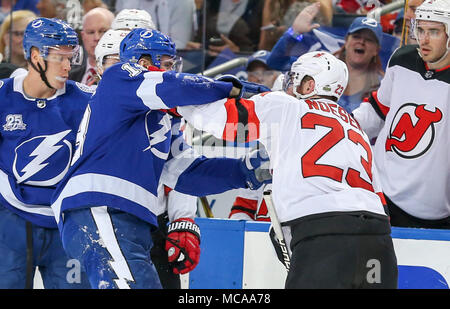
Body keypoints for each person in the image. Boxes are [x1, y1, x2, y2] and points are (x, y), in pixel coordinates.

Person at [50, 28, 270, 289]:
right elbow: (170, 85)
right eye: (166, 64)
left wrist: (244, 172)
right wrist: (231, 89)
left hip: (126, 219)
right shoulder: (120, 76)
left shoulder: (160, 118)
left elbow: (186, 172)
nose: (171, 70)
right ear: (144, 62)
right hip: (100, 208)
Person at [179, 51, 398, 289]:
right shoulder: (354, 125)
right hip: (378, 237)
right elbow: (378, 194)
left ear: (310, 85)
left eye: (296, 77)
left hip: (324, 233)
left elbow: (217, 120)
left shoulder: (286, 106)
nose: (290, 84)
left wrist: (176, 100)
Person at [0, 17, 93, 289]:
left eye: (71, 57)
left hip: (68, 221)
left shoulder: (87, 101)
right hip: (9, 220)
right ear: (35, 55)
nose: (67, 66)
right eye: (59, 57)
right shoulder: (3, 97)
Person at [352, 0, 450, 229]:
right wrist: (342, 124)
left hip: (434, 211)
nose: (423, 40)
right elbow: (377, 112)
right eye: (421, 30)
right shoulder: (402, 59)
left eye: (434, 32)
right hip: (381, 194)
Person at [267, 3, 386, 114]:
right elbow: (275, 62)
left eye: (369, 39)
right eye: (356, 36)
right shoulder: (320, 65)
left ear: (377, 50)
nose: (362, 42)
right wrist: (294, 32)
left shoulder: (383, 86)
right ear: (346, 41)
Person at [114, 0, 196, 50]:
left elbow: (178, 44)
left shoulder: (183, 2)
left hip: (163, 58)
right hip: (125, 51)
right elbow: (117, 30)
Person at [69, 7, 114, 84]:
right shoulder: (69, 75)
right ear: (83, 36)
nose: (97, 38)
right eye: (91, 32)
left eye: (103, 31)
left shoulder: (123, 75)